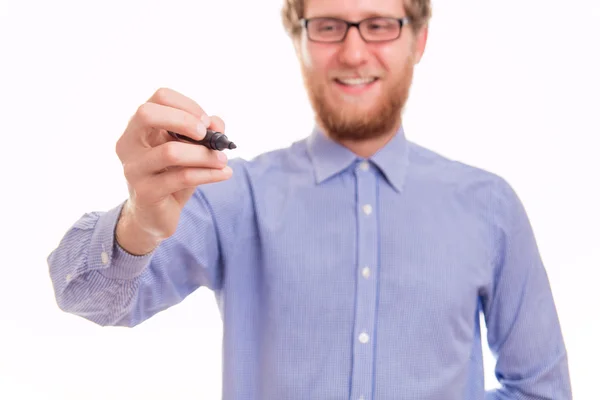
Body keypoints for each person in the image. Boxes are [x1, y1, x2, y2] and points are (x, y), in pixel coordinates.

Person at [47, 0, 573, 399]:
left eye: (380, 24)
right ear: (296, 36)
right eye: (327, 26)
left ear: (418, 40)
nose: (352, 50)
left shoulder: (490, 205)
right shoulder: (229, 196)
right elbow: (86, 297)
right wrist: (140, 221)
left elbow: (542, 390)